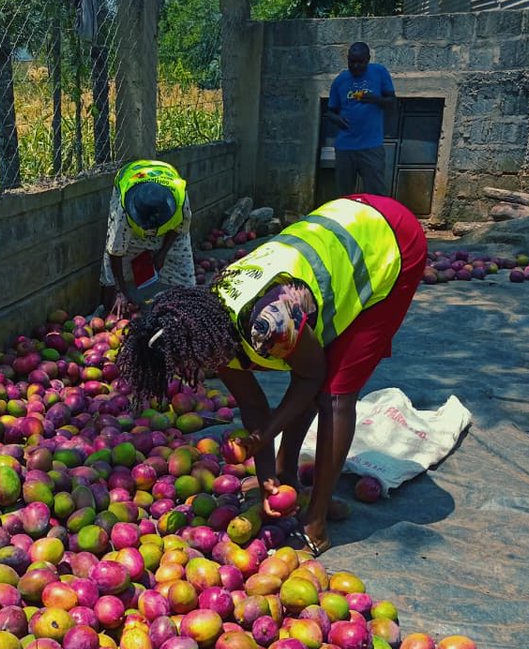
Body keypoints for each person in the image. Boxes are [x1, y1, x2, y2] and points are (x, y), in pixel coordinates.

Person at [116, 194, 427, 556]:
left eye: (187, 368)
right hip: (342, 221)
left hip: (388, 241)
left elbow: (312, 378)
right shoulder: (205, 331)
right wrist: (266, 477)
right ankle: (285, 472)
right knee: (315, 368)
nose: (192, 376)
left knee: (335, 394)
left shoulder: (270, 321)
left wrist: (263, 437)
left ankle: (317, 519)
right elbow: (252, 404)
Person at [100, 160, 195, 316]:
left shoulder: (181, 203)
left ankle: (184, 315)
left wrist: (162, 253)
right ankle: (107, 308)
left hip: (164, 175)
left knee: (187, 281)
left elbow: (180, 227)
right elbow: (115, 251)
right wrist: (120, 291)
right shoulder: (124, 212)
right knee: (113, 269)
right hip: (131, 177)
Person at [328, 43, 396, 197]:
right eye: (352, 62)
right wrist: (337, 120)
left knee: (377, 194)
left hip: (371, 146)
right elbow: (330, 112)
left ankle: (376, 220)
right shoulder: (340, 81)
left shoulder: (379, 72)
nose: (356, 66)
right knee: (344, 196)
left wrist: (375, 99)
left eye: (360, 62)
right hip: (345, 147)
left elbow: (392, 102)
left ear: (368, 59)